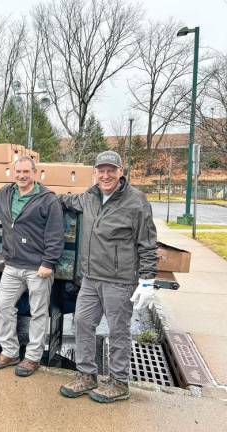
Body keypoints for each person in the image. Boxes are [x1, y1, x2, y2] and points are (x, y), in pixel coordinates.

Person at [59, 150, 158, 403]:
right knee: (81, 323)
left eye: (111, 170)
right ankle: (86, 375)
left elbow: (147, 243)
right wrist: (41, 195)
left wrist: (147, 280)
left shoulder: (136, 201)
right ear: (95, 172)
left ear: (120, 172)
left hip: (119, 280)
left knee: (118, 331)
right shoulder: (89, 197)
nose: (105, 175)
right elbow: (66, 201)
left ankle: (119, 382)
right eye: (101, 170)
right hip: (91, 278)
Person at [0, 156, 64, 377]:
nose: (22, 176)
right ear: (13, 173)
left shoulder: (47, 200)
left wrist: (48, 262)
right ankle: (10, 352)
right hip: (13, 265)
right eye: (18, 172)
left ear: (35, 173)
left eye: (26, 172)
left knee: (38, 314)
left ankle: (33, 358)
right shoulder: (6, 194)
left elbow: (56, 235)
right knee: (4, 307)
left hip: (38, 268)